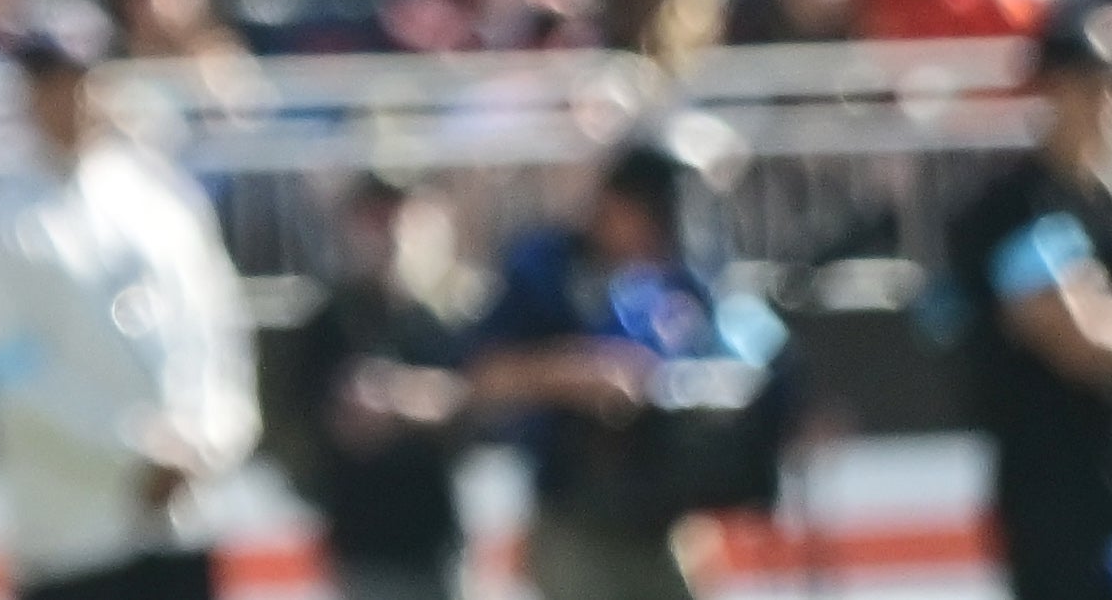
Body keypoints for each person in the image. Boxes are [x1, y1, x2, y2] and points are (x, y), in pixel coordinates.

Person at [0, 24, 258, 600]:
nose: (75, 103)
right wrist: (134, 451)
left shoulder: (162, 200)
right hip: (71, 529)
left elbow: (218, 327)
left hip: (180, 520)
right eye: (55, 87)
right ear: (26, 98)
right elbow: (4, 366)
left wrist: (210, 438)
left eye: (86, 85)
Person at [468, 134, 783, 600]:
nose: (662, 231)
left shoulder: (675, 275)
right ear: (613, 204)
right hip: (579, 516)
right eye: (653, 214)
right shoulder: (546, 266)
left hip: (666, 517)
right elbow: (483, 375)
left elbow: (745, 349)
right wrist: (581, 375)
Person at [950, 8, 1112, 600]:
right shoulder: (1012, 208)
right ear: (1052, 90)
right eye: (1093, 84)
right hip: (1054, 496)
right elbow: (1080, 341)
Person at [289, 173, 473, 600]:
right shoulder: (329, 321)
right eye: (376, 217)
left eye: (397, 217)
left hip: (433, 537)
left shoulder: (437, 319)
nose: (388, 231)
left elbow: (467, 405)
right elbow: (312, 420)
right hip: (363, 543)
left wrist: (402, 400)